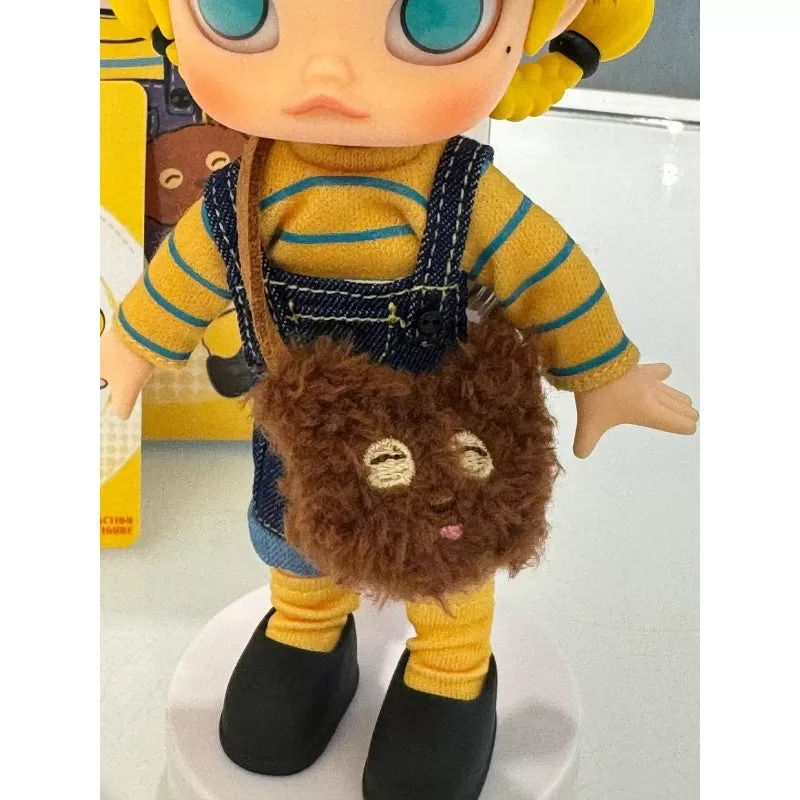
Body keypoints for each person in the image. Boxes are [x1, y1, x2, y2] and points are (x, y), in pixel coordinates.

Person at [101, 2, 697, 797]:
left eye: (436, 18)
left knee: (448, 552)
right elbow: (188, 273)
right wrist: (132, 345)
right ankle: (306, 631)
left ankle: (451, 671)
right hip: (304, 435)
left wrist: (603, 370)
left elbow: (548, 272)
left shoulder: (462, 194)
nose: (328, 74)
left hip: (437, 431)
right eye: (240, 11)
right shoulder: (243, 196)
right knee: (296, 537)